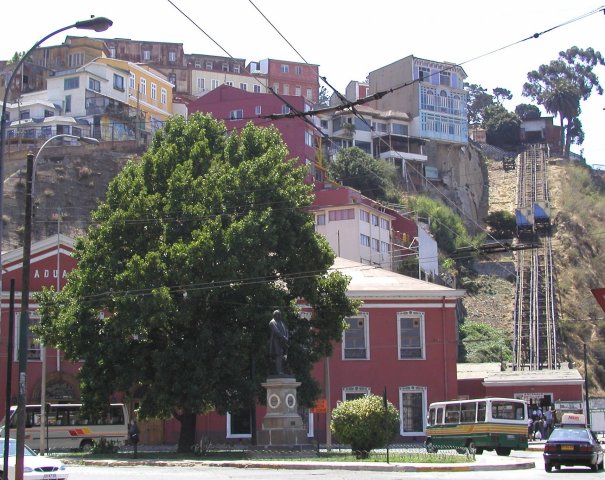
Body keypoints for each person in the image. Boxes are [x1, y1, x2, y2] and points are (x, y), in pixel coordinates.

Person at [269, 309, 289, 375]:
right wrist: (283, 337)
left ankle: (281, 370)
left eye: (280, 314)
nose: (280, 316)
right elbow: (276, 331)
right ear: (275, 315)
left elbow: (286, 330)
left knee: (283, 356)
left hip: (283, 342)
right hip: (276, 342)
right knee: (278, 355)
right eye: (278, 314)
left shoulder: (281, 322)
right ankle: (278, 371)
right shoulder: (272, 322)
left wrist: (286, 337)